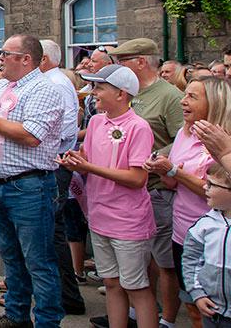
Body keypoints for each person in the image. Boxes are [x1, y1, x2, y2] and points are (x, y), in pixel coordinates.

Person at [0, 34, 65, 328]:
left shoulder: (44, 90)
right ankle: (16, 315)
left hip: (30, 186)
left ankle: (47, 322)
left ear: (26, 59)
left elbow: (30, 135)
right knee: (11, 258)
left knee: (39, 263)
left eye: (6, 54)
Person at [59, 64, 158, 328]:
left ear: (121, 94)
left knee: (136, 287)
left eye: (100, 87)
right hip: (99, 215)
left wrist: (87, 167)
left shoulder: (139, 127)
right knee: (112, 283)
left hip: (128, 221)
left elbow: (137, 178)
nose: (94, 93)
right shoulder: (96, 122)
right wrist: (76, 160)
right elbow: (89, 158)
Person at [144, 77, 231, 327]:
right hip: (183, 231)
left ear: (214, 102)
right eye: (186, 95)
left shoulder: (222, 140)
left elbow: (217, 193)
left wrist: (174, 171)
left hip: (214, 236)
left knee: (213, 307)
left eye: (193, 96)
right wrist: (162, 170)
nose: (183, 101)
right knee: (193, 303)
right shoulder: (185, 132)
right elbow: (174, 185)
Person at [112, 38, 185, 328]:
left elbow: (184, 138)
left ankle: (167, 319)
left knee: (163, 260)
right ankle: (139, 312)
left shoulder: (169, 96)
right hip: (130, 190)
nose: (118, 67)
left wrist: (152, 156)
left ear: (141, 62)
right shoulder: (130, 93)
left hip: (156, 187)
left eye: (122, 61)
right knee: (141, 259)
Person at [39, 40, 86, 316]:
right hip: (53, 161)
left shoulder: (54, 83)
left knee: (51, 231)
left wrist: (35, 143)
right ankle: (62, 294)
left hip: (54, 163)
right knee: (52, 231)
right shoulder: (53, 81)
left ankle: (65, 295)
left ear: (42, 59)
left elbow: (67, 126)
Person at [183, 163, 231, 328]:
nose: (204, 186)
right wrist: (197, 293)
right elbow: (190, 261)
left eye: (211, 184)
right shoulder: (203, 226)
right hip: (212, 311)